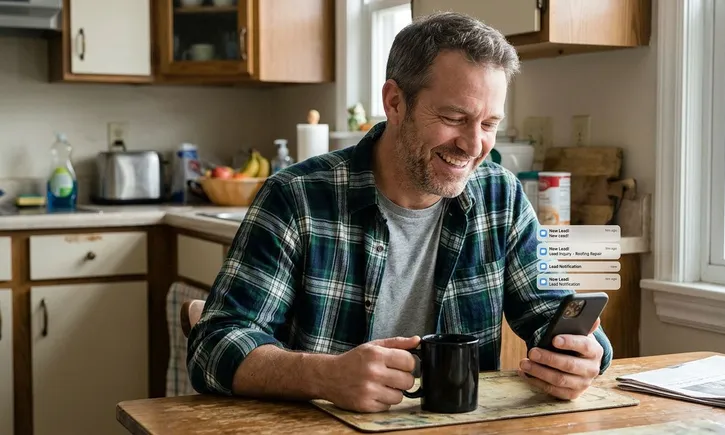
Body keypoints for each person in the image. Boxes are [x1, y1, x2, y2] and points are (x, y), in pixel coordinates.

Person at [187, 11, 613, 413]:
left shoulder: (500, 195)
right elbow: (213, 345)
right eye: (453, 116)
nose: (473, 145)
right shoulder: (295, 197)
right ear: (394, 102)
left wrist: (584, 356)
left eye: (488, 124)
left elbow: (554, 313)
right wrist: (324, 376)